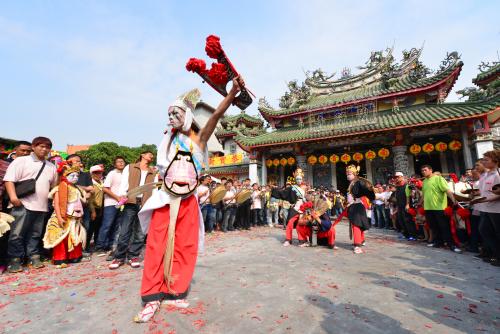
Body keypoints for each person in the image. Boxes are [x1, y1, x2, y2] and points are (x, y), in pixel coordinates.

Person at [133, 77, 244, 322]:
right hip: (165, 198)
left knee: (185, 247)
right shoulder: (168, 139)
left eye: (176, 113)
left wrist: (233, 92)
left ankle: (176, 291)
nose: (171, 117)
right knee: (156, 246)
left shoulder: (200, 138)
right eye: (169, 113)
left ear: (187, 115)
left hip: (189, 202)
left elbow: (216, 115)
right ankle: (151, 297)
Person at [4, 137, 57, 272]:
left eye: (47, 147)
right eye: (41, 146)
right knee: (17, 234)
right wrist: (13, 197)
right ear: (33, 147)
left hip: (41, 206)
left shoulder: (51, 166)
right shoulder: (21, 161)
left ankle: (33, 257)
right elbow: (9, 180)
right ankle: (15, 260)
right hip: (22, 204)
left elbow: (53, 186)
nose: (44, 149)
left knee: (35, 234)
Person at [109, 151, 156, 270]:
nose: (151, 156)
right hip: (130, 202)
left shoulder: (153, 171)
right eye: (149, 154)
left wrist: (153, 202)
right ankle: (119, 257)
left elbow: (154, 188)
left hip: (146, 204)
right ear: (142, 155)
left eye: (152, 155)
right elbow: (124, 183)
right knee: (124, 231)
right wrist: (122, 196)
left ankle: (133, 256)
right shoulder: (130, 167)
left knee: (140, 233)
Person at [43, 162, 87, 268]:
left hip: (75, 219)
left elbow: (82, 201)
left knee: (74, 237)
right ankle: (60, 258)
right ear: (65, 176)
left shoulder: (77, 189)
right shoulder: (59, 188)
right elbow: (57, 204)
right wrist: (59, 217)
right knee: (61, 238)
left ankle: (74, 256)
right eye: (72, 175)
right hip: (63, 217)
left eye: (77, 175)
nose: (75, 177)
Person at [420, 165, 461, 253]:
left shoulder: (439, 179)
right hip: (428, 208)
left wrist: (453, 199)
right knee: (434, 227)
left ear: (431, 170)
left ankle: (452, 245)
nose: (423, 172)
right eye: (422, 170)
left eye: (425, 170)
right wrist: (420, 202)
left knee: (445, 227)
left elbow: (447, 190)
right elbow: (423, 194)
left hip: (439, 208)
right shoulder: (424, 181)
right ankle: (438, 242)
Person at [94, 156, 125, 257]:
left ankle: (110, 245)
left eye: (122, 162)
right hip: (111, 203)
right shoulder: (112, 173)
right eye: (119, 162)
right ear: (115, 164)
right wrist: (117, 197)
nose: (121, 163)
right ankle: (99, 246)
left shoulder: (126, 174)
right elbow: (105, 189)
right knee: (107, 225)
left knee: (116, 225)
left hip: (121, 203)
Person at [475, 150, 500, 266]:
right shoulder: (485, 175)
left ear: (495, 161)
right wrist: (474, 196)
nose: (483, 162)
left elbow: (498, 194)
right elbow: (483, 191)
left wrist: (485, 199)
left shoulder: (498, 174)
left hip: (496, 209)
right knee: (484, 230)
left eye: (486, 160)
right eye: (483, 159)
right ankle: (494, 254)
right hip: (485, 208)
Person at [271, 168, 307, 246]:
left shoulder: (306, 188)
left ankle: (302, 240)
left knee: (300, 225)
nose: (299, 180)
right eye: (297, 179)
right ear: (295, 179)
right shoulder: (292, 188)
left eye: (300, 179)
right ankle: (288, 239)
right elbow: (283, 192)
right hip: (294, 208)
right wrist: (275, 189)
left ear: (302, 179)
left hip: (303, 209)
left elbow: (309, 198)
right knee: (290, 223)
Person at [345, 164, 375, 254]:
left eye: (350, 174)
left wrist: (371, 195)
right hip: (353, 206)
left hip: (357, 206)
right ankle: (361, 240)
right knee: (358, 224)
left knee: (357, 225)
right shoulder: (352, 183)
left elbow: (366, 190)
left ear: (354, 174)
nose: (348, 175)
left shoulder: (358, 183)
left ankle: (357, 245)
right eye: (347, 174)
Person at [87, 165, 105, 252]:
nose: (98, 174)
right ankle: (86, 247)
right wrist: (93, 211)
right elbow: (90, 199)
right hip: (93, 208)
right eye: (96, 173)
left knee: (98, 227)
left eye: (100, 172)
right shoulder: (91, 184)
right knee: (90, 229)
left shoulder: (101, 183)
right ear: (91, 174)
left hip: (101, 208)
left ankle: (97, 245)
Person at [394, 172, 417, 240]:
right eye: (395, 177)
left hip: (406, 206)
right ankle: (406, 234)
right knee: (401, 221)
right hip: (400, 206)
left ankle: (413, 235)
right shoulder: (397, 187)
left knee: (408, 221)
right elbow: (397, 198)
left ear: (402, 177)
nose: (396, 178)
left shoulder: (407, 185)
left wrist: (407, 204)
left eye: (398, 177)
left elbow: (410, 195)